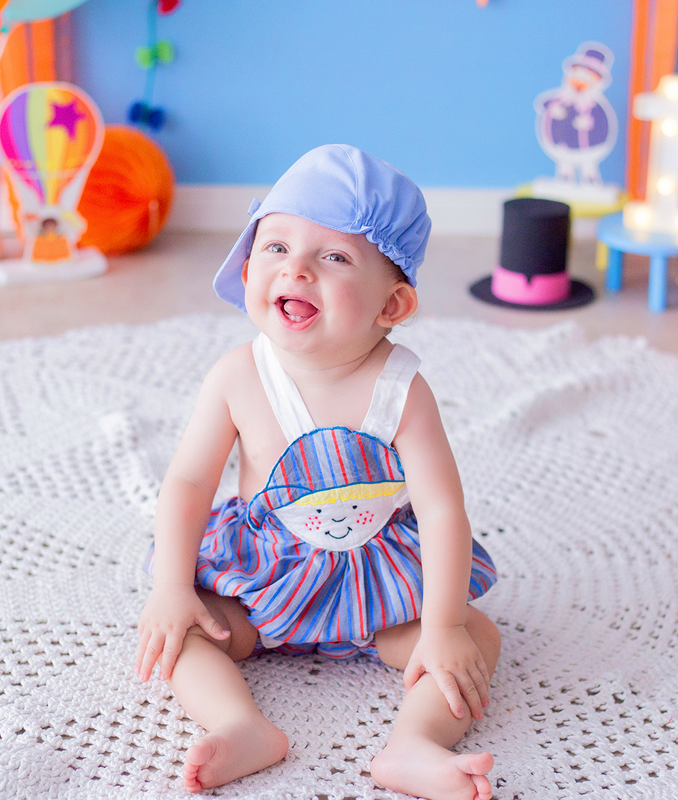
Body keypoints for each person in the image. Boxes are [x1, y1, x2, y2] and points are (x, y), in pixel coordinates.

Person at [135, 144, 501, 800]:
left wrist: (441, 627)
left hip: (378, 589)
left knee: (477, 638)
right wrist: (171, 588)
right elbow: (189, 483)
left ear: (391, 306)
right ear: (248, 266)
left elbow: (443, 509)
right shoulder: (238, 375)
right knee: (182, 632)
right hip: (264, 579)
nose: (295, 269)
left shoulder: (402, 388)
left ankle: (412, 746)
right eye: (275, 247)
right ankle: (240, 724)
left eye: (332, 257)